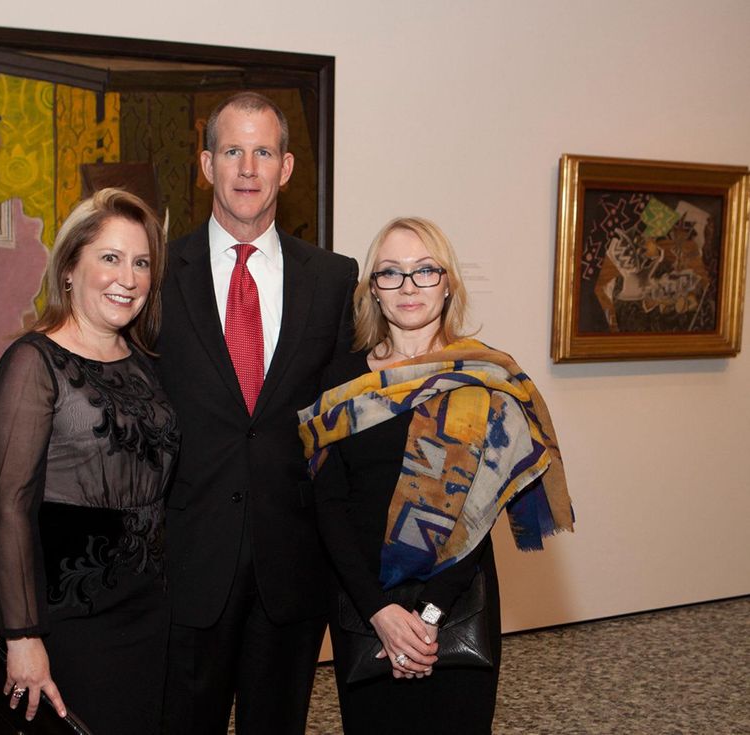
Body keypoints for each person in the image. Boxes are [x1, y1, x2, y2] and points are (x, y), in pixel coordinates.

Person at [298, 217, 574, 734]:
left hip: (455, 599)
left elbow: (480, 513)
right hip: (364, 600)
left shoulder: (486, 378)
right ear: (373, 292)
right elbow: (328, 505)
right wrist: (380, 612)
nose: (408, 286)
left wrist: (425, 619)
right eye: (391, 273)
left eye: (425, 270)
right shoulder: (341, 382)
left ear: (447, 284)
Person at [156, 92, 359, 734]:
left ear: (287, 167)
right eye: (233, 151)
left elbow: (344, 424)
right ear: (206, 164)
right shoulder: (160, 273)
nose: (248, 168)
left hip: (291, 566)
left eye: (263, 151)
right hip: (188, 563)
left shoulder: (332, 279)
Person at [0, 187, 179, 733]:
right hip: (73, 614)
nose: (130, 276)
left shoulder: (141, 362)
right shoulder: (33, 362)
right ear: (70, 267)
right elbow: (11, 507)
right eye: (111, 258)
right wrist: (23, 637)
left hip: (150, 605)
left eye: (142, 262)